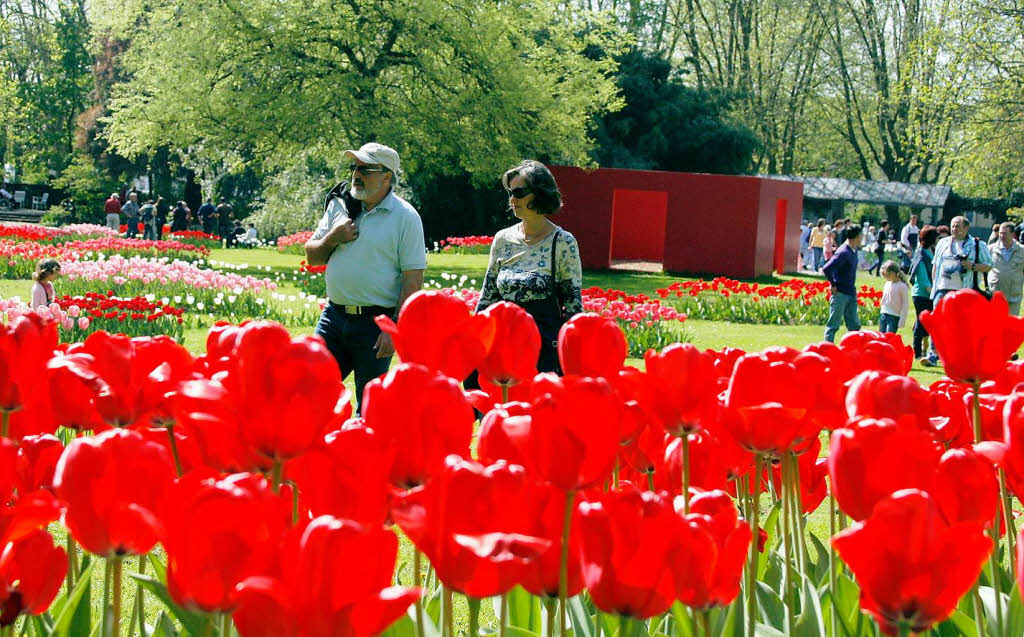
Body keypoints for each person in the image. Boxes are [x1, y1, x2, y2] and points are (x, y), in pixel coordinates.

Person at [304, 142, 426, 414]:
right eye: (354, 167)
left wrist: (393, 328)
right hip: (333, 319)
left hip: (375, 325)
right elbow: (313, 256)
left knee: (371, 409)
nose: (356, 174)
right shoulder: (339, 206)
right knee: (311, 393)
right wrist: (332, 237)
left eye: (366, 169)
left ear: (387, 176)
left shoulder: (406, 218)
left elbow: (412, 280)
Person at [476, 159, 584, 375]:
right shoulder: (503, 240)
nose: (512, 199)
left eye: (519, 192)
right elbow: (487, 297)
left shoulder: (562, 242)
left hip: (542, 350)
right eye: (510, 193)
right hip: (503, 346)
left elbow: (573, 306)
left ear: (539, 193)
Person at [922, 215, 993, 366]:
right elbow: (936, 265)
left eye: (958, 226)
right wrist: (935, 285)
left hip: (964, 291)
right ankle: (933, 355)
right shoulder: (943, 243)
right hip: (942, 288)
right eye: (952, 226)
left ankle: (960, 356)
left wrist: (972, 266)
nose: (954, 229)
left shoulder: (977, 244)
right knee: (936, 320)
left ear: (966, 228)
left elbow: (988, 265)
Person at [822, 223, 864, 342]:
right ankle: (827, 348)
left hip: (850, 291)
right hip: (840, 293)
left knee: (854, 325)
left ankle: (852, 348)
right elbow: (827, 268)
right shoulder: (843, 252)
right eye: (861, 235)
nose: (862, 238)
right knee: (833, 325)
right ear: (856, 237)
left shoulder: (852, 250)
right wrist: (833, 284)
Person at [909, 226, 938, 358]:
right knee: (920, 324)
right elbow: (923, 280)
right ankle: (917, 352)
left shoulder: (927, 251)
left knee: (924, 323)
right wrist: (933, 295)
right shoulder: (921, 255)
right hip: (922, 294)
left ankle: (923, 350)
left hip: (927, 293)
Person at [988, 221, 1024, 316]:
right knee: (996, 323)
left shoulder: (1022, 250)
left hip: (1014, 294)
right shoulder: (991, 249)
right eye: (1000, 233)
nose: (1002, 236)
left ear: (1012, 234)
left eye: (1005, 233)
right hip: (996, 293)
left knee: (1012, 324)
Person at [878, 260, 910, 334]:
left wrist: (902, 321)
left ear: (892, 274)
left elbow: (905, 305)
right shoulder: (887, 284)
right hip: (883, 314)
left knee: (889, 338)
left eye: (886, 275)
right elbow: (884, 300)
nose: (885, 278)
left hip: (894, 316)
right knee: (881, 337)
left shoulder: (902, 286)